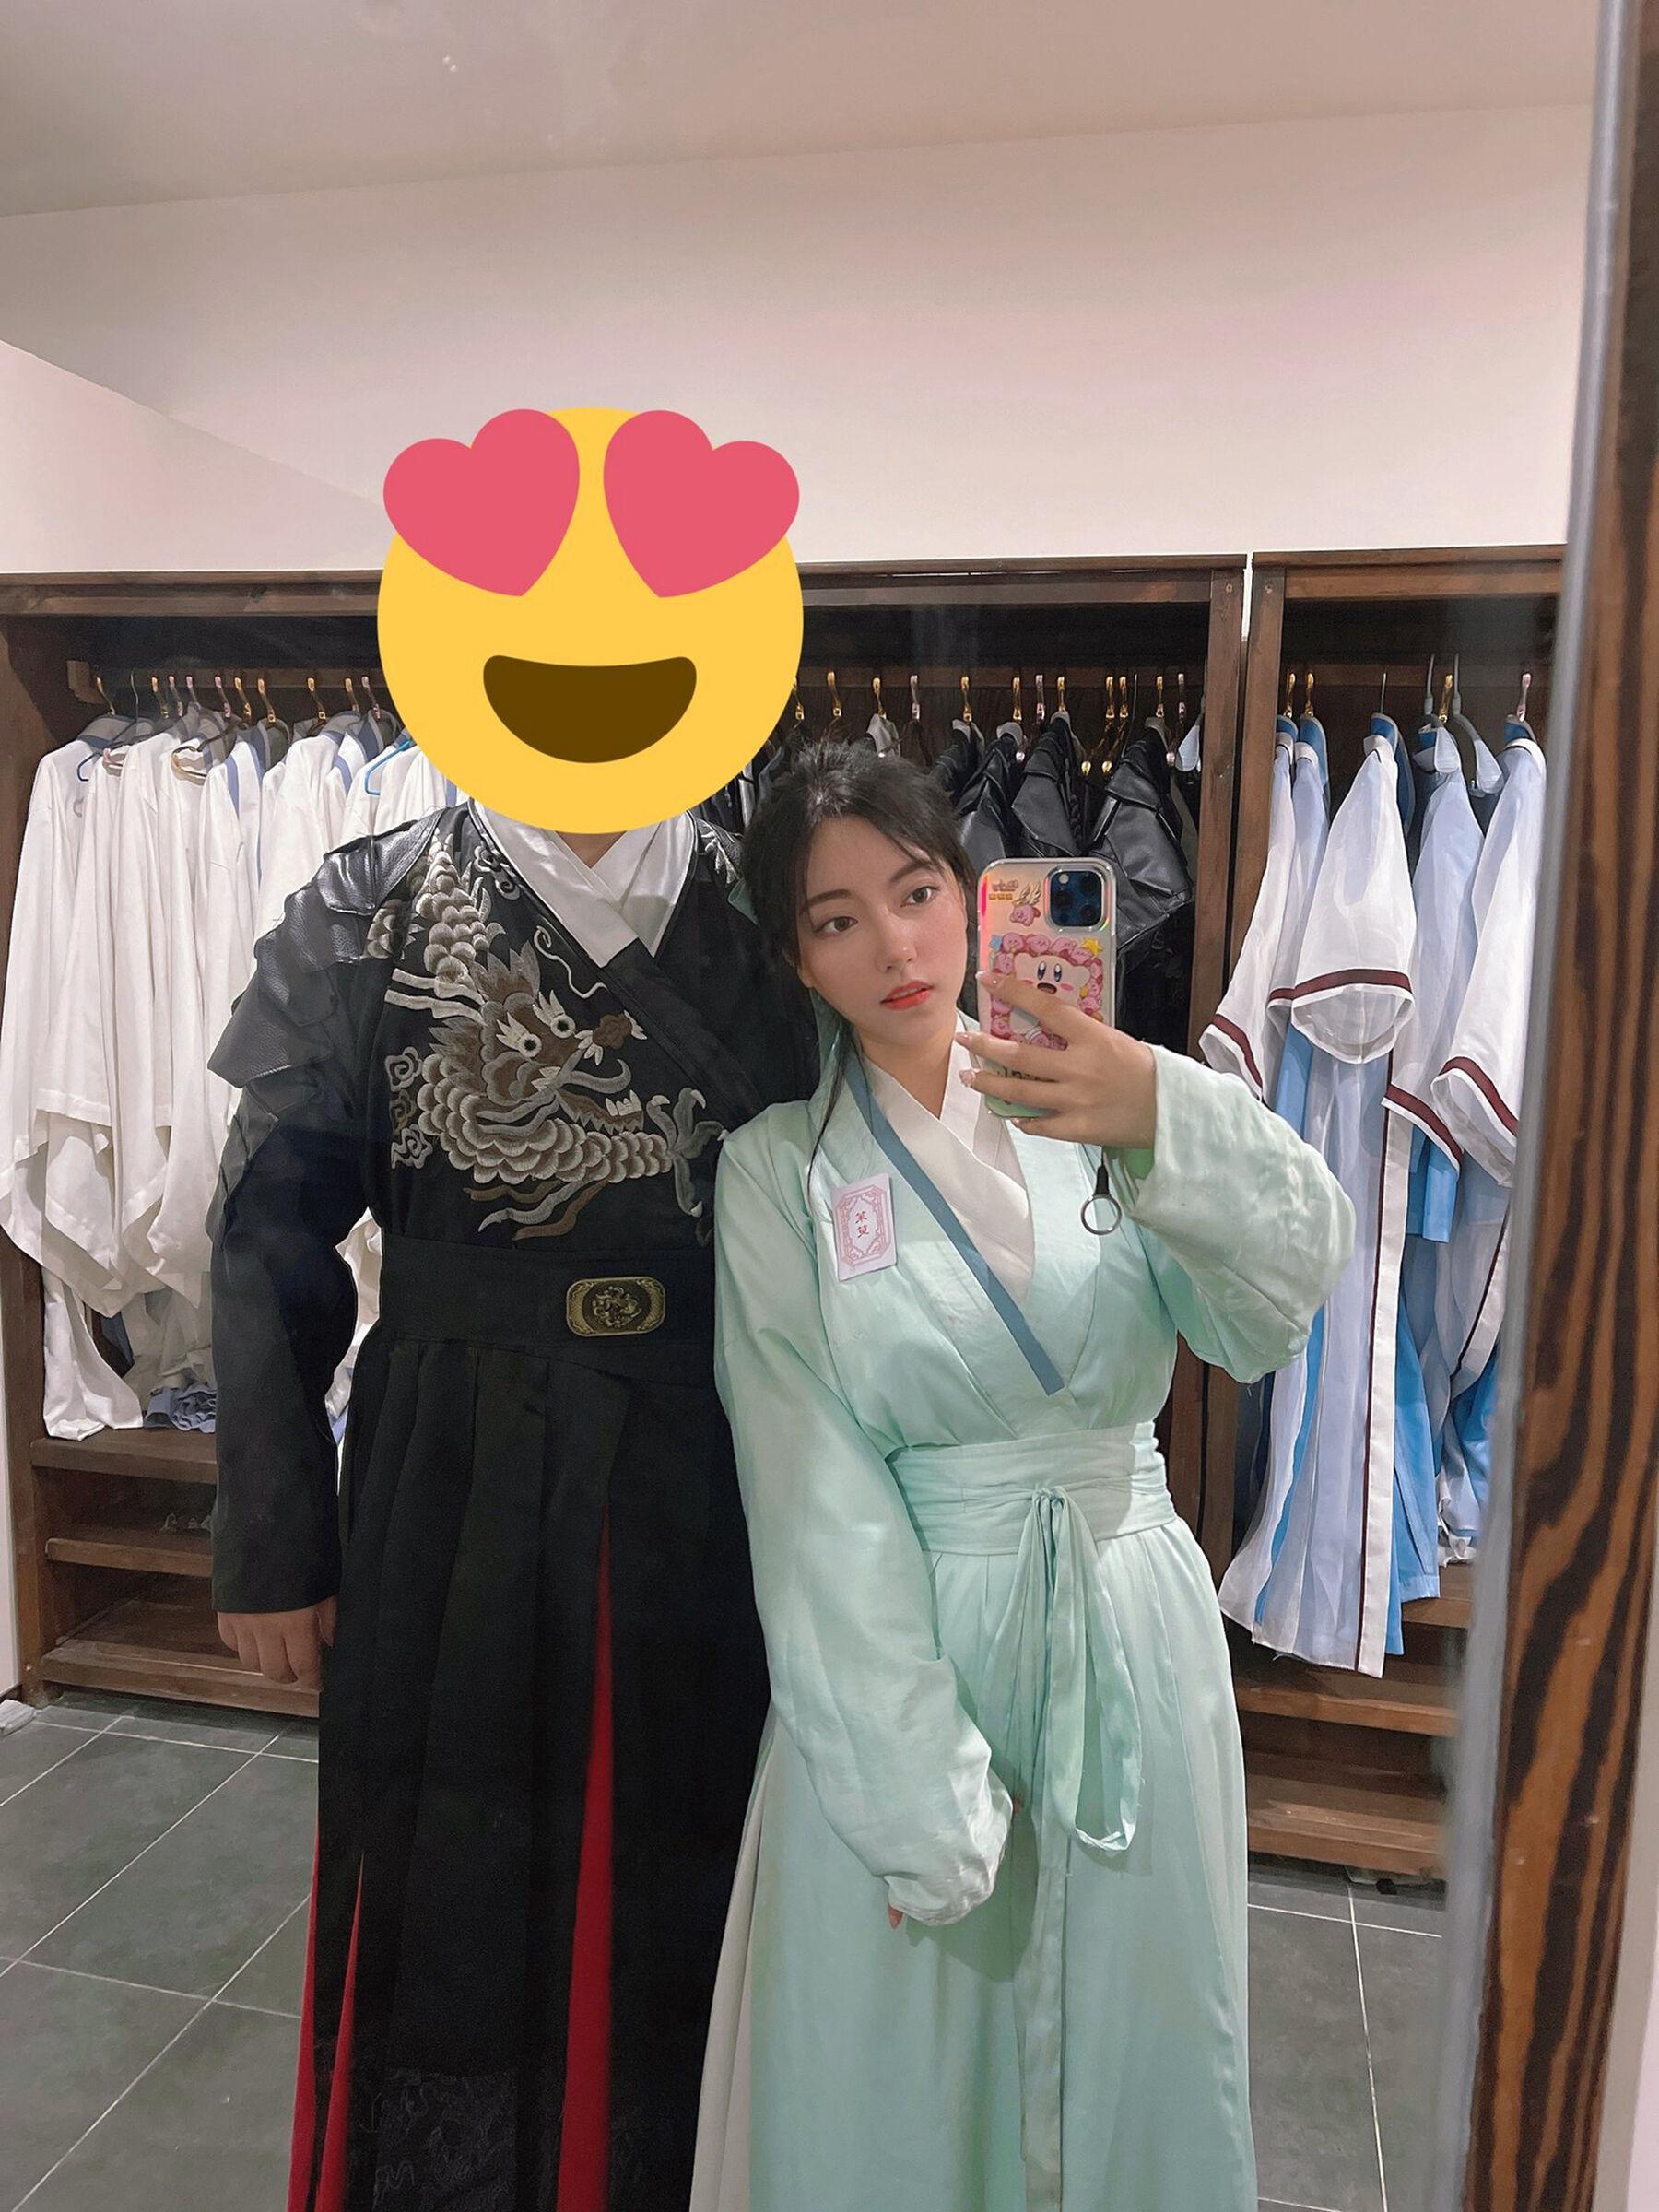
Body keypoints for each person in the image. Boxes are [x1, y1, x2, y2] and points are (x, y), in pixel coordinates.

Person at [691, 744, 1354, 2212]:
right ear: (797, 960)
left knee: (1143, 2037)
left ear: (973, 892)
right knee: (909, 2070)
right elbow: (811, 1498)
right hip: (922, 1657)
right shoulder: (779, 1174)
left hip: (1128, 1628)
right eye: (837, 919)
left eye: (916, 892)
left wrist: (1164, 1107)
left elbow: (1276, 1297)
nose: (894, 946)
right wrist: (915, 1799)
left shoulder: (1099, 1100)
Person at [209, 801, 816, 2212]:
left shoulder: (773, 891)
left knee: (701, 1858)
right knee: (450, 1866)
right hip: (452, 1457)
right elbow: (266, 1228)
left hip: (722, 1446)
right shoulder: (372, 904)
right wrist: (273, 1541)